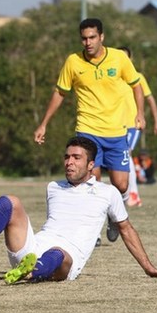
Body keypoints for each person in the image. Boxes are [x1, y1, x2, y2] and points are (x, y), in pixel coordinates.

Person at [0, 136, 157, 284]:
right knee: (10, 201)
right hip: (30, 251)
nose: (69, 162)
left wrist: (147, 267)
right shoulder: (53, 187)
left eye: (76, 158)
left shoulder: (108, 192)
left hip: (66, 261)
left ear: (91, 165)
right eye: (67, 157)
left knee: (58, 253)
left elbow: (126, 230)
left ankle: (31, 272)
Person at [33, 18, 145, 242]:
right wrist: (44, 123)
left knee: (121, 184)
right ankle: (91, 229)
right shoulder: (73, 62)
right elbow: (60, 92)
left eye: (92, 37)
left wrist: (140, 113)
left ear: (102, 37)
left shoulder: (119, 58)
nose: (88, 42)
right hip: (87, 130)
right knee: (90, 182)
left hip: (116, 131)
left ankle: (114, 217)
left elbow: (137, 85)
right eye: (84, 38)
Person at [116, 46, 157, 207]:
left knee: (126, 153)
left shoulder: (137, 77)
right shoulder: (114, 78)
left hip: (132, 124)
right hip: (114, 124)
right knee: (119, 158)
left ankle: (133, 194)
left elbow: (150, 99)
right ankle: (124, 193)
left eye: (125, 57)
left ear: (130, 59)